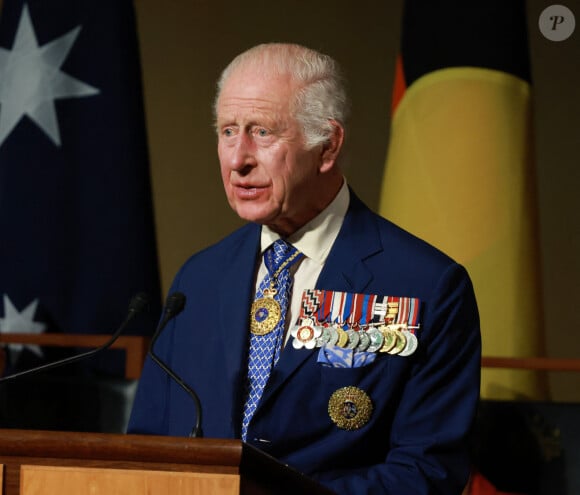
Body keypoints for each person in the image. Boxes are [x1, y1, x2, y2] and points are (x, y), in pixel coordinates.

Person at [128, 43, 481, 494]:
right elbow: (148, 447)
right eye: (228, 131)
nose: (238, 159)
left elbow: (428, 471)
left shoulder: (427, 286)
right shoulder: (198, 279)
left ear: (328, 146)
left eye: (262, 132)